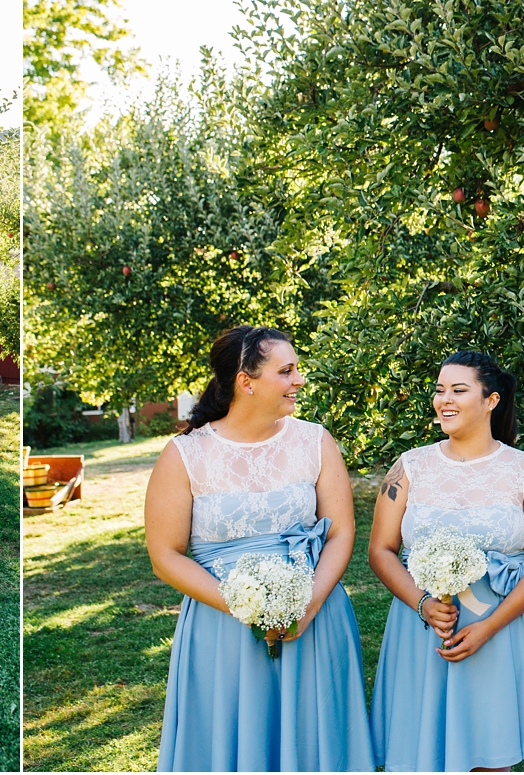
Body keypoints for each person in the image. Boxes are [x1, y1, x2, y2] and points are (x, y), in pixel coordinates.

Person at [144, 326, 374, 771]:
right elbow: (165, 555)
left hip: (316, 617)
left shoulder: (315, 441)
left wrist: (307, 605)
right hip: (223, 627)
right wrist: (245, 606)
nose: (298, 381)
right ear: (245, 382)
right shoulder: (185, 454)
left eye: (297, 370)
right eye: (286, 372)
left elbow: (341, 533)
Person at [368, 351, 524, 771]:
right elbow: (381, 550)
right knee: (422, 753)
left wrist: (489, 627)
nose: (445, 400)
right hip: (422, 626)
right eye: (440, 390)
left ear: (491, 400)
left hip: (500, 626)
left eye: (459, 390)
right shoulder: (408, 467)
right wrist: (422, 603)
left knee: (491, 755)